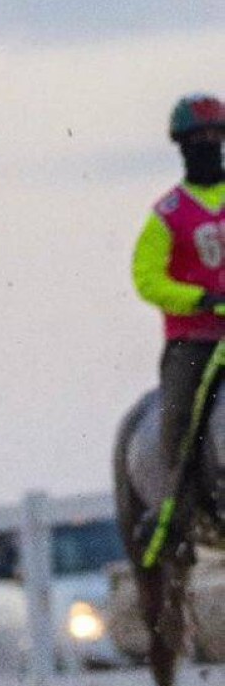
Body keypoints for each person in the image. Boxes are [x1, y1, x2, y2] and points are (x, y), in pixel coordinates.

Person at [131, 94, 225, 542]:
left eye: (214, 136)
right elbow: (147, 278)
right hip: (195, 338)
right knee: (178, 417)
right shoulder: (167, 215)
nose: (207, 143)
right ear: (183, 146)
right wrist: (199, 299)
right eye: (197, 137)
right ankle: (175, 512)